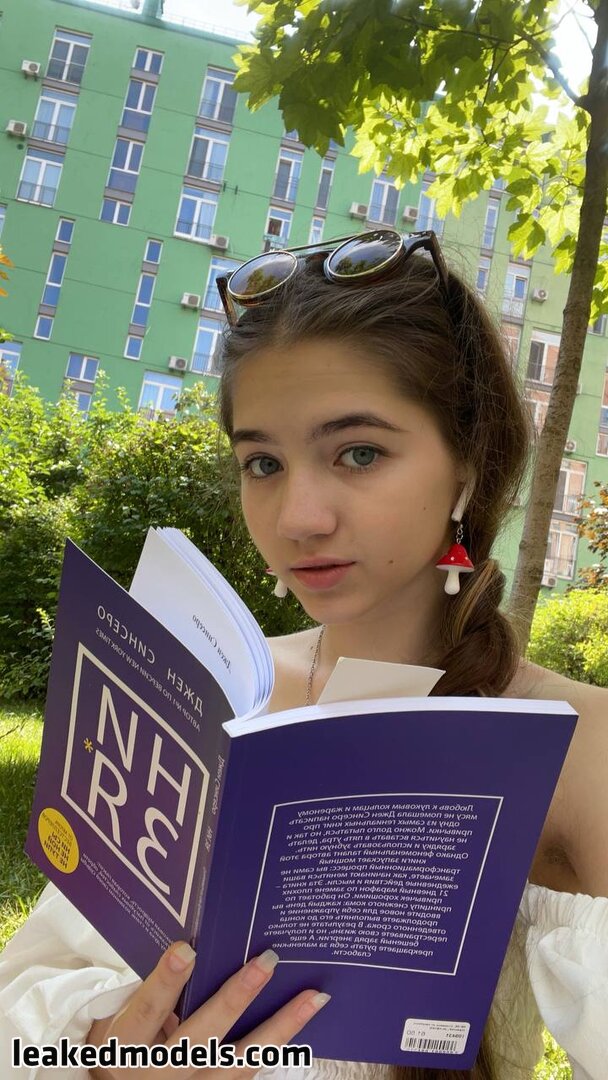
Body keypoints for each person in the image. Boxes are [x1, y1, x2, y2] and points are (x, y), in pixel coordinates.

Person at [1, 229, 607, 1080]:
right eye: (263, 462)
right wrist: (104, 1063)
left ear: (467, 464)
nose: (298, 518)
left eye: (359, 453)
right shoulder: (199, 692)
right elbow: (27, 1006)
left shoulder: (574, 744)